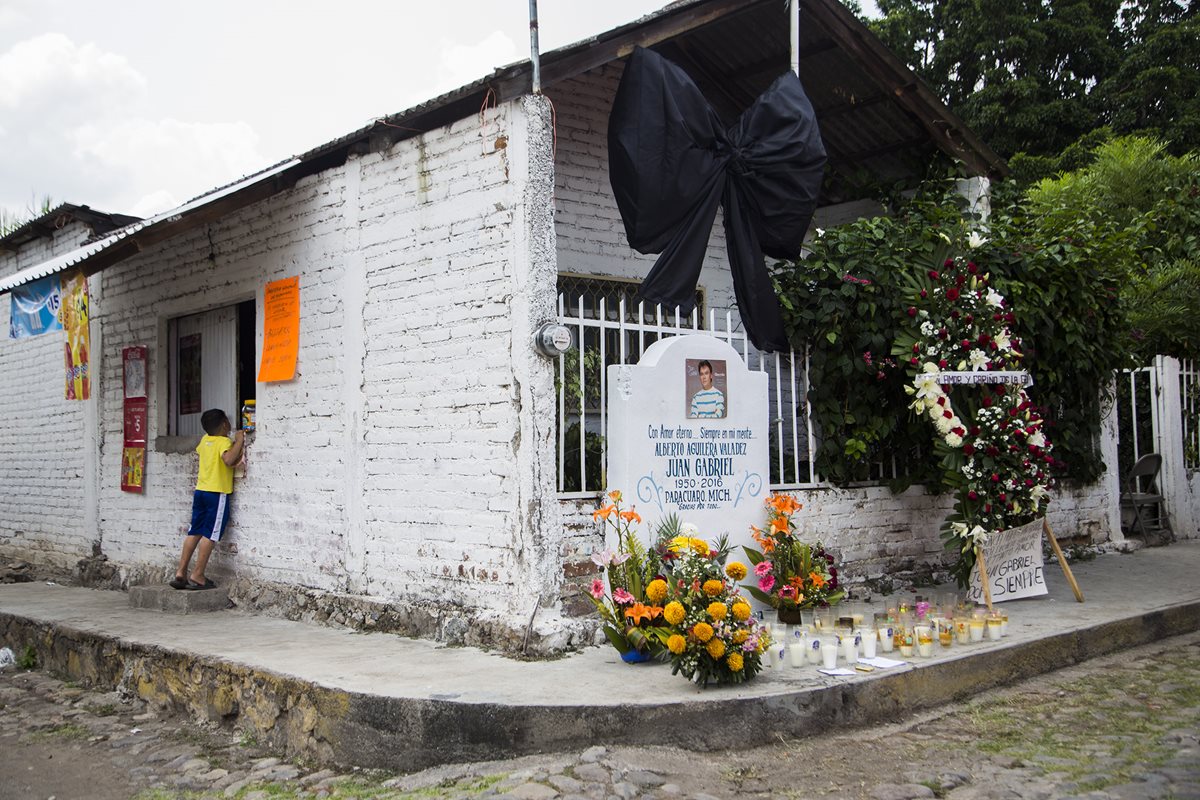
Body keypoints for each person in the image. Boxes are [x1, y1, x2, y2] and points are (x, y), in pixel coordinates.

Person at [170, 409, 245, 590]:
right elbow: (228, 459)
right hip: (216, 493)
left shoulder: (205, 441)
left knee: (194, 531)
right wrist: (240, 440)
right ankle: (198, 574)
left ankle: (181, 572)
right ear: (225, 424)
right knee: (210, 534)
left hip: (201, 491)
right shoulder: (223, 441)